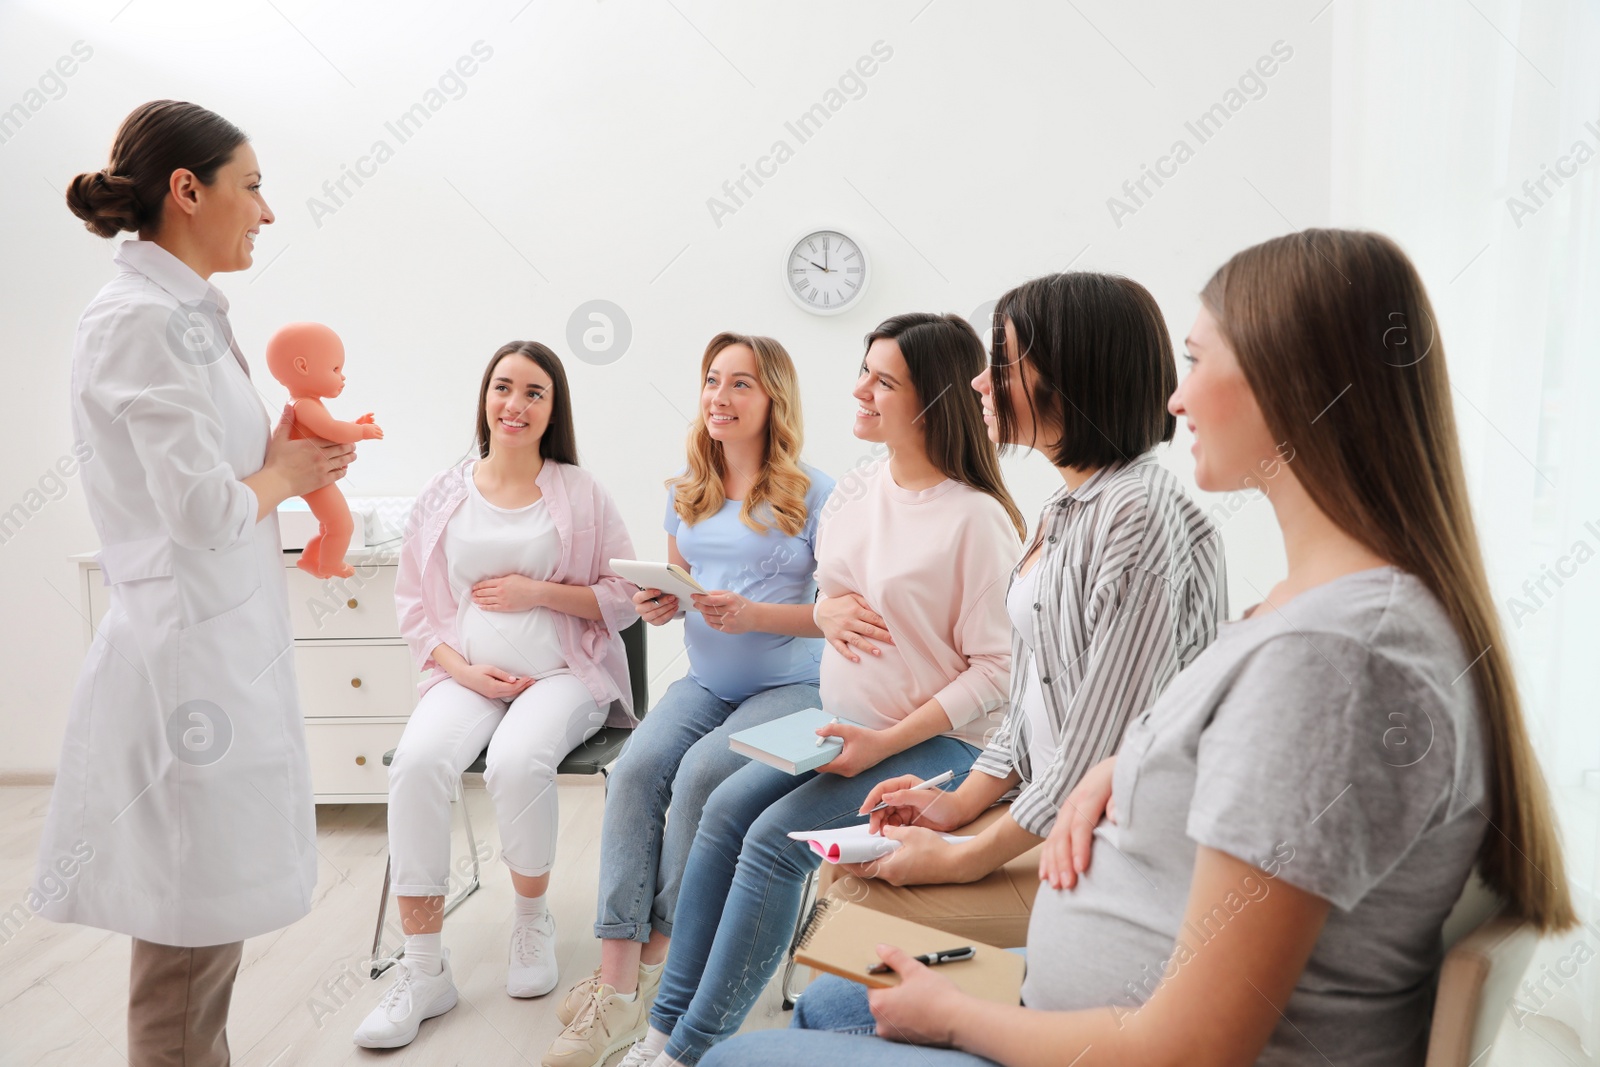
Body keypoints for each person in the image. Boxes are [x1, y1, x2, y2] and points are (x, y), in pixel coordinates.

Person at [700, 229, 1576, 1067]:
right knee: (827, 1002)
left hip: (1120, 1031)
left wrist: (959, 1002)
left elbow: (1191, 1047)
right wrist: (1103, 775)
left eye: (1198, 363)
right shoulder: (1312, 618)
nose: (1176, 396)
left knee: (748, 1052)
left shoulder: (1330, 658)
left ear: (1295, 380)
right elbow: (1110, 715)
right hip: (1094, 991)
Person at [39, 99, 354, 1066]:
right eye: (251, 185)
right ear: (187, 190)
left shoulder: (184, 317)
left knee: (203, 958)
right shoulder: (141, 321)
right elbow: (201, 510)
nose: (265, 211)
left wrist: (285, 454)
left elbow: (213, 479)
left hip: (217, 657)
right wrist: (285, 477)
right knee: (183, 970)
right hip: (186, 672)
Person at [625, 312, 1026, 1067]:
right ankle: (657, 1034)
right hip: (842, 723)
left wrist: (883, 740)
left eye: (883, 380)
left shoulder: (974, 520)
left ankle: (687, 1052)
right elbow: (832, 606)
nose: (859, 390)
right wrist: (819, 614)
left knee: (774, 845)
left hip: (934, 744)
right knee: (718, 813)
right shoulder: (858, 489)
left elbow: (999, 673)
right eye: (864, 370)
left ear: (933, 400)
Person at [839, 273, 1226, 947]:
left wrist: (963, 855)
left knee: (851, 901)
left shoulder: (1137, 515)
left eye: (1003, 364)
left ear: (1069, 375)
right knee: (847, 877)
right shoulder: (1063, 508)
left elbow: (1096, 744)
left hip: (1117, 849)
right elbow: (1032, 705)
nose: (980, 383)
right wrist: (956, 804)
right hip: (1058, 814)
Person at [544, 333, 836, 1067]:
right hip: (706, 682)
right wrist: (661, 602)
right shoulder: (686, 490)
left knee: (704, 775)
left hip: (791, 684)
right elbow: (677, 586)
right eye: (712, 380)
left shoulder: (815, 492)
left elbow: (837, 613)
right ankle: (618, 982)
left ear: (774, 399)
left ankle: (665, 968)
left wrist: (756, 613)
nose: (720, 396)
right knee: (637, 768)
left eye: (741, 384)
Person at [354, 341, 639, 1049]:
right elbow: (415, 607)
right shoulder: (444, 491)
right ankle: (425, 970)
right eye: (503, 388)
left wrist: (535, 591)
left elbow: (627, 597)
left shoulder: (578, 490)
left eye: (533, 392)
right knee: (417, 763)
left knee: (516, 761)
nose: (514, 404)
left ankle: (530, 921)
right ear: (485, 397)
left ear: (553, 408)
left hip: (563, 674)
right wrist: (467, 672)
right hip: (467, 675)